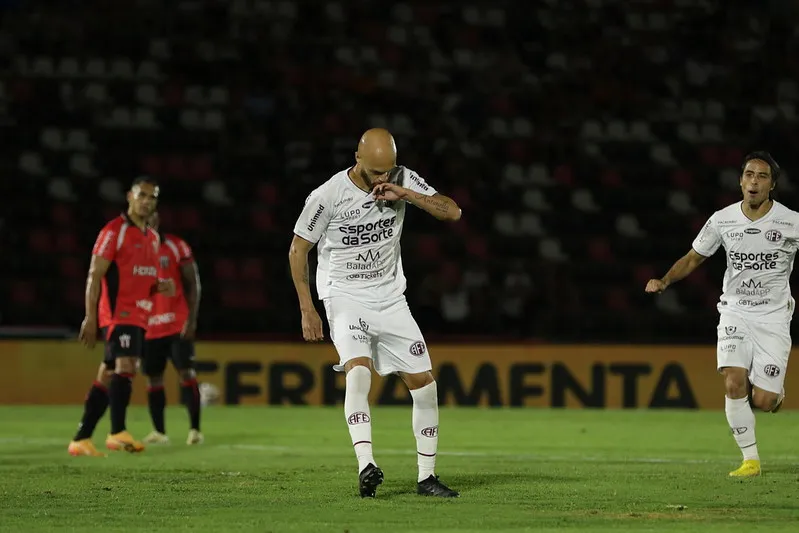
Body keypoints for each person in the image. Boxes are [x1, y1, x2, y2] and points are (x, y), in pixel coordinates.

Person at [289, 128, 462, 498]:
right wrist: (308, 308)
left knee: (426, 386)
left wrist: (407, 194)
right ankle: (366, 465)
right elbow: (297, 250)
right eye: (376, 172)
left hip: (390, 297)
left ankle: (426, 478)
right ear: (357, 159)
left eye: (389, 171)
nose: (383, 179)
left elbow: (453, 212)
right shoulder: (327, 196)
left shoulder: (401, 179)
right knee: (359, 374)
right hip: (345, 295)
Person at [645, 151, 791, 477]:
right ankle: (750, 460)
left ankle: (773, 394)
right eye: (749, 175)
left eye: (762, 176)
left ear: (773, 185)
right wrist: (665, 280)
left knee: (765, 400)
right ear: (740, 181)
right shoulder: (722, 220)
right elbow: (694, 257)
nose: (754, 181)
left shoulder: (791, 222)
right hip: (734, 312)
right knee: (733, 381)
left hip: (773, 318)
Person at [68, 177, 174, 457]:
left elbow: (143, 279)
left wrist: (159, 286)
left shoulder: (152, 237)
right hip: (118, 313)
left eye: (152, 197)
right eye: (142, 195)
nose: (147, 201)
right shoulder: (114, 231)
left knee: (108, 373)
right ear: (129, 196)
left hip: (140, 314)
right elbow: (95, 275)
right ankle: (117, 432)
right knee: (127, 366)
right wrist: (90, 317)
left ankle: (82, 438)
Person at [141, 211, 203, 446]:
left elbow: (193, 283)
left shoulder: (177, 246)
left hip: (177, 323)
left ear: (158, 219)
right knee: (153, 378)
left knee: (186, 373)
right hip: (148, 326)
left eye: (152, 217)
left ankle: (195, 430)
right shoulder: (134, 251)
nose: (149, 222)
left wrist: (192, 318)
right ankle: (159, 432)